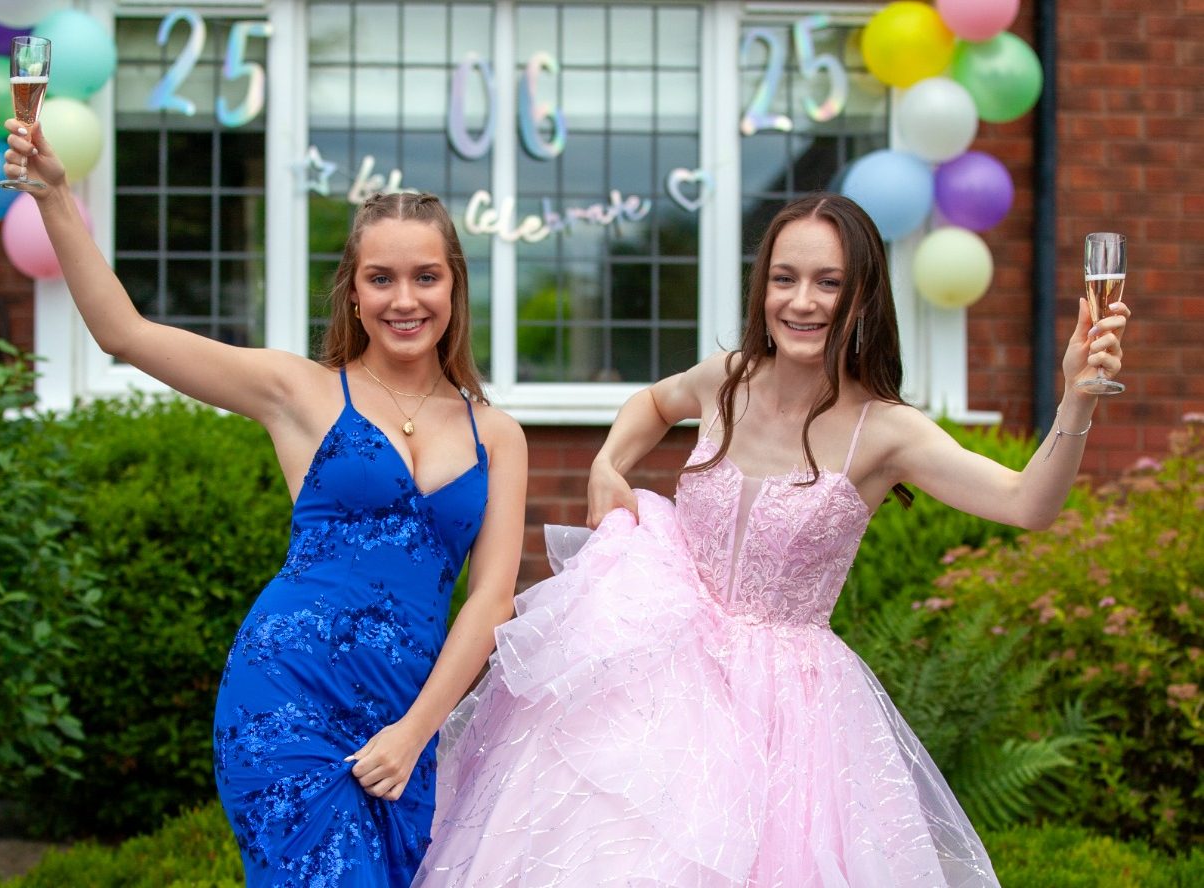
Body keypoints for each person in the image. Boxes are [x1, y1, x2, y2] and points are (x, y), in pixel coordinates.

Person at [413, 193, 1129, 887]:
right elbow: (653, 402)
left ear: (862, 298)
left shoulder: (882, 431)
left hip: (785, 714)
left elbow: (1026, 503)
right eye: (783, 279)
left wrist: (1074, 399)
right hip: (659, 665)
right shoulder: (728, 381)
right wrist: (608, 463)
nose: (801, 301)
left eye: (828, 283)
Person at [3, 121, 527, 887]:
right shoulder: (300, 392)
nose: (404, 299)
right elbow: (124, 334)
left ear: (454, 285)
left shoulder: (498, 436)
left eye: (425, 277)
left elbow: (492, 603)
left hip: (403, 720)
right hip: (285, 698)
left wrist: (416, 733)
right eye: (381, 278)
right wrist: (53, 195)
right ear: (353, 287)